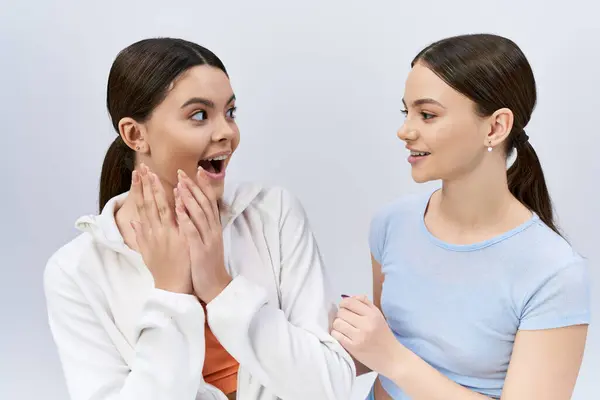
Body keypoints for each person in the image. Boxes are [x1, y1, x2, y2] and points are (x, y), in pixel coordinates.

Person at [44, 37, 355, 400]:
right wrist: (171, 293)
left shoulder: (275, 214)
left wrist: (221, 288)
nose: (227, 132)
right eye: (199, 115)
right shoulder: (76, 271)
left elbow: (330, 386)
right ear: (135, 134)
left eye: (230, 112)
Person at [331, 33, 590, 400]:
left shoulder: (555, 273)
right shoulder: (391, 225)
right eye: (406, 113)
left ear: (495, 127)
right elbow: (380, 346)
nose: (404, 131)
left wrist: (392, 358)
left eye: (428, 114)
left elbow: (390, 355)